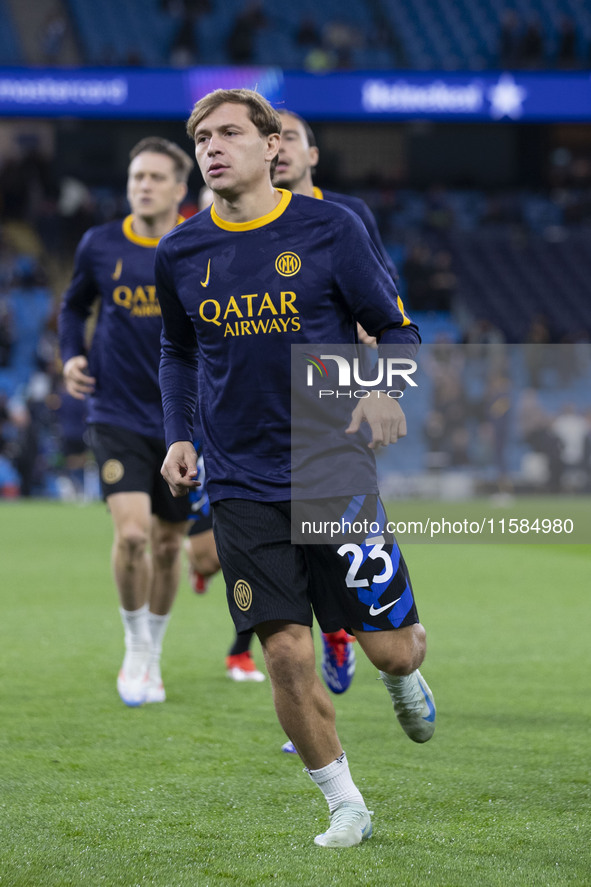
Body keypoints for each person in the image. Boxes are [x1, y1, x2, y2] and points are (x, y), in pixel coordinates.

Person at [157, 88, 436, 848]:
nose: (212, 147)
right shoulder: (180, 251)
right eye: (201, 137)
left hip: (332, 470)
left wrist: (383, 386)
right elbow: (177, 351)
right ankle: (345, 801)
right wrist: (178, 435)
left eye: (228, 134)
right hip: (240, 481)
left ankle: (403, 676)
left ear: (270, 144)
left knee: (391, 645)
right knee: (283, 650)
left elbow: (396, 329)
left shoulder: (329, 228)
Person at [58, 137, 194, 707]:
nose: (143, 185)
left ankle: (155, 654)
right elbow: (73, 306)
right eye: (137, 175)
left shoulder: (198, 245)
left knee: (167, 547)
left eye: (157, 177)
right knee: (133, 534)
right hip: (114, 411)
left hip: (183, 419)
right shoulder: (100, 243)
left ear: (179, 189)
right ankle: (134, 645)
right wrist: (70, 355)